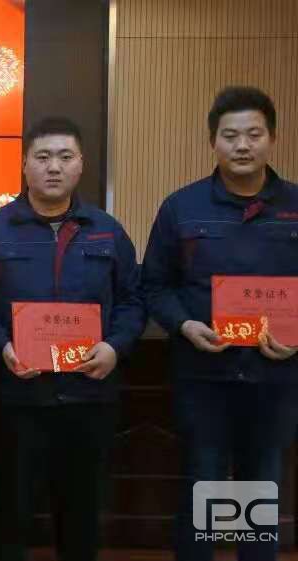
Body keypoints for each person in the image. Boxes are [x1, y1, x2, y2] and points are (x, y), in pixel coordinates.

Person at [0, 117, 145, 561]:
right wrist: (1, 343)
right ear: (25, 165)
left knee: (81, 517)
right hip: (16, 400)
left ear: (81, 164)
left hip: (89, 399)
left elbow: (134, 298)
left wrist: (115, 346)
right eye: (42, 157)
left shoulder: (107, 231)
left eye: (64, 157)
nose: (53, 167)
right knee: (9, 515)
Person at [141, 86, 298, 561]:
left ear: (272, 138)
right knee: (202, 482)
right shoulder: (182, 207)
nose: (242, 145)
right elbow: (154, 286)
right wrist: (185, 325)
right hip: (203, 377)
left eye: (254, 134)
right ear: (213, 141)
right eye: (230, 135)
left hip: (274, 378)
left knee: (259, 484)